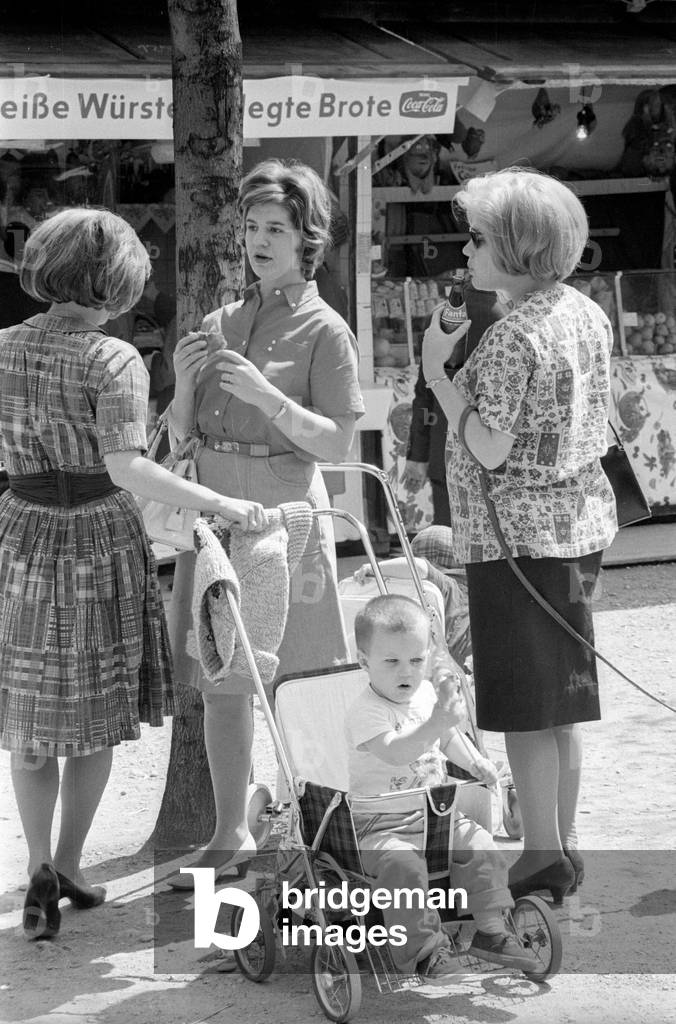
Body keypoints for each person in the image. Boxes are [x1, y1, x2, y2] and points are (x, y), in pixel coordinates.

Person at [0, 208, 265, 940]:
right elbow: (125, 466)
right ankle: (70, 866)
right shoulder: (113, 359)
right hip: (94, 537)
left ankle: (38, 868)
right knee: (93, 720)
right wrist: (217, 500)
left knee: (31, 717)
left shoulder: (2, 348)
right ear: (115, 282)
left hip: (20, 529)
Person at [421, 167, 618, 901]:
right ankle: (562, 847)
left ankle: (539, 856)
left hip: (514, 543)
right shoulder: (584, 312)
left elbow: (490, 446)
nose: (465, 251)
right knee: (561, 706)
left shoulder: (512, 336)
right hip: (575, 532)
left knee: (526, 711)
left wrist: (438, 373)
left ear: (513, 244)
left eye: (476, 238)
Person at [167, 159, 365, 887]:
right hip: (217, 511)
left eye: (275, 228)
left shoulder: (328, 330)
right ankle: (229, 833)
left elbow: (338, 442)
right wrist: (185, 383)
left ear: (308, 237)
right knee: (224, 679)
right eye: (250, 226)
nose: (258, 239)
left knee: (297, 681)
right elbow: (182, 437)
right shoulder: (221, 319)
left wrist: (266, 396)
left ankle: (311, 831)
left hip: (285, 511)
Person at [345, 595, 537, 982]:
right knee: (404, 867)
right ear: (364, 662)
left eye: (416, 661)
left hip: (436, 815)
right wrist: (436, 722)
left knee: (482, 846)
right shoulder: (366, 712)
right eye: (392, 662)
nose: (406, 672)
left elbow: (449, 738)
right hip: (380, 825)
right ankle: (425, 952)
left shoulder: (426, 696)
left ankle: (491, 931)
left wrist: (475, 762)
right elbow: (397, 753)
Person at [402, 286, 502, 526]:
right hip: (498, 456)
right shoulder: (510, 317)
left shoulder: (441, 316)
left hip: (445, 452)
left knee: (448, 546)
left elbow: (424, 393)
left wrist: (418, 455)